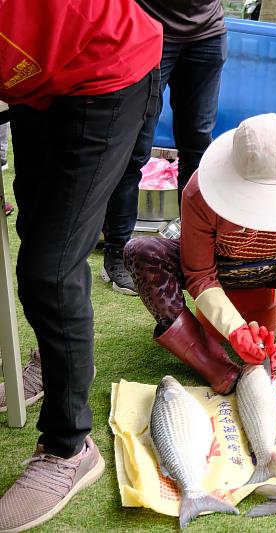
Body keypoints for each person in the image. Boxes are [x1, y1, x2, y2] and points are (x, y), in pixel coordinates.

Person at [0, 1, 162, 530]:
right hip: (36, 85)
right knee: (38, 232)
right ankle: (54, 363)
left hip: (106, 72)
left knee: (50, 266)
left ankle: (70, 447)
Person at [124, 114, 276, 392]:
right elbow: (199, 274)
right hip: (217, 267)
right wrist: (235, 329)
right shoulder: (200, 191)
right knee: (141, 251)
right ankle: (214, 364)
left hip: (274, 266)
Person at [100, 0, 228, 295]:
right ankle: (117, 253)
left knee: (197, 145)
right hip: (148, 30)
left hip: (207, 34)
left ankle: (194, 250)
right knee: (134, 149)